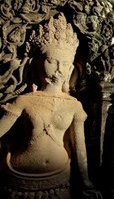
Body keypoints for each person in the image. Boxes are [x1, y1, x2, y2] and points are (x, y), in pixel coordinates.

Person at [0, 13, 100, 198]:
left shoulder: (74, 106)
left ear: (71, 68)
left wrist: (86, 182)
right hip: (20, 181)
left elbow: (79, 147)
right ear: (36, 63)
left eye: (65, 64)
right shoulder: (24, 100)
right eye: (51, 61)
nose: (58, 69)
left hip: (59, 179)